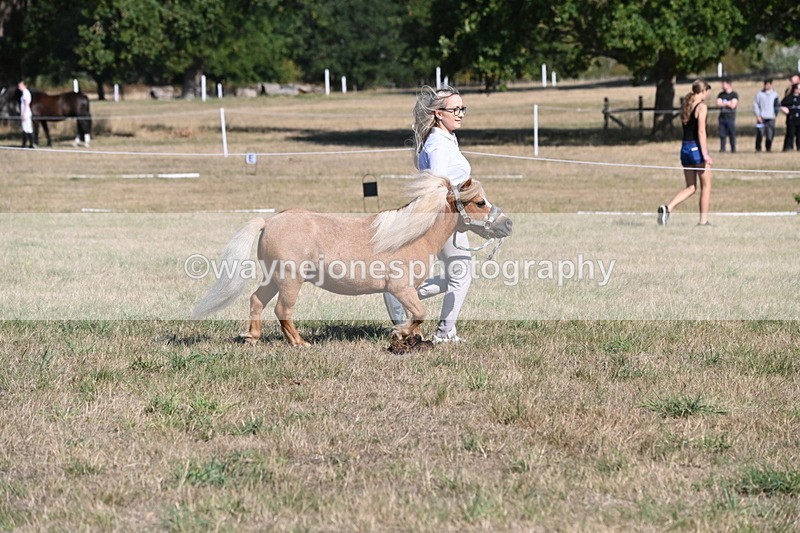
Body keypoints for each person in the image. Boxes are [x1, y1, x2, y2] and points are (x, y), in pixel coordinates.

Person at [383, 85, 472, 343]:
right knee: (461, 274)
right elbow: (437, 186)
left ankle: (403, 292)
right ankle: (444, 332)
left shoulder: (445, 140)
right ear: (438, 113)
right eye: (455, 109)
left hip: (448, 218)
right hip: (443, 220)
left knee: (459, 274)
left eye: (462, 108)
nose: (460, 114)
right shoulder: (438, 146)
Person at [658, 79, 713, 226]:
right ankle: (703, 221)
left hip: (685, 149)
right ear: (703, 91)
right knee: (706, 186)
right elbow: (701, 132)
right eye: (707, 91)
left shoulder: (687, 105)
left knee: (691, 187)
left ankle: (667, 208)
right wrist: (705, 154)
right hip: (696, 149)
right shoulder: (702, 107)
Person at [753, 78, 779, 152]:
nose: (766, 86)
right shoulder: (759, 94)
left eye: (767, 84)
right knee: (759, 134)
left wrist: (775, 115)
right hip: (761, 118)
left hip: (771, 118)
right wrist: (758, 115)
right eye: (765, 84)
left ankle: (768, 148)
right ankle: (758, 148)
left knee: (770, 135)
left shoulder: (775, 94)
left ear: (770, 85)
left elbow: (776, 106)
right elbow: (756, 105)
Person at [716, 78, 738, 153]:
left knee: (732, 134)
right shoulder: (721, 94)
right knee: (722, 134)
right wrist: (728, 103)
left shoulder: (734, 94)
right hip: (722, 118)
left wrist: (724, 103)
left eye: (724, 83)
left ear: (729, 84)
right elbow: (718, 104)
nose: (722, 85)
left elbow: (733, 105)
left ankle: (733, 149)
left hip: (730, 118)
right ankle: (722, 149)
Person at [780, 82, 800, 152]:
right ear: (795, 89)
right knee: (790, 134)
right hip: (791, 120)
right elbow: (781, 105)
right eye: (798, 88)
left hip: (799, 120)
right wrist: (784, 110)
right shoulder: (789, 98)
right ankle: (788, 147)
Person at [18, 80, 35, 148]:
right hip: (26, 112)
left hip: (26, 113)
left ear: (24, 85)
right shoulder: (25, 92)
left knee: (26, 128)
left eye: (20, 86)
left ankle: (25, 144)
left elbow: (26, 104)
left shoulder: (25, 92)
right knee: (27, 128)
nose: (19, 87)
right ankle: (29, 144)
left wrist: (23, 114)